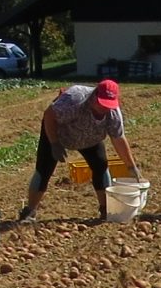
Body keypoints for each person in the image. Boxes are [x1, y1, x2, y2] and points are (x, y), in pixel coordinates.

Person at [16, 76, 140, 224]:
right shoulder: (74, 99)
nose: (104, 109)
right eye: (102, 104)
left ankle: (106, 209)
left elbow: (118, 138)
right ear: (94, 96)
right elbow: (49, 115)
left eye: (108, 105)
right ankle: (29, 211)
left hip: (90, 138)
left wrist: (131, 166)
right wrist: (54, 142)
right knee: (44, 169)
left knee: (100, 165)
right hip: (59, 133)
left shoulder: (113, 114)